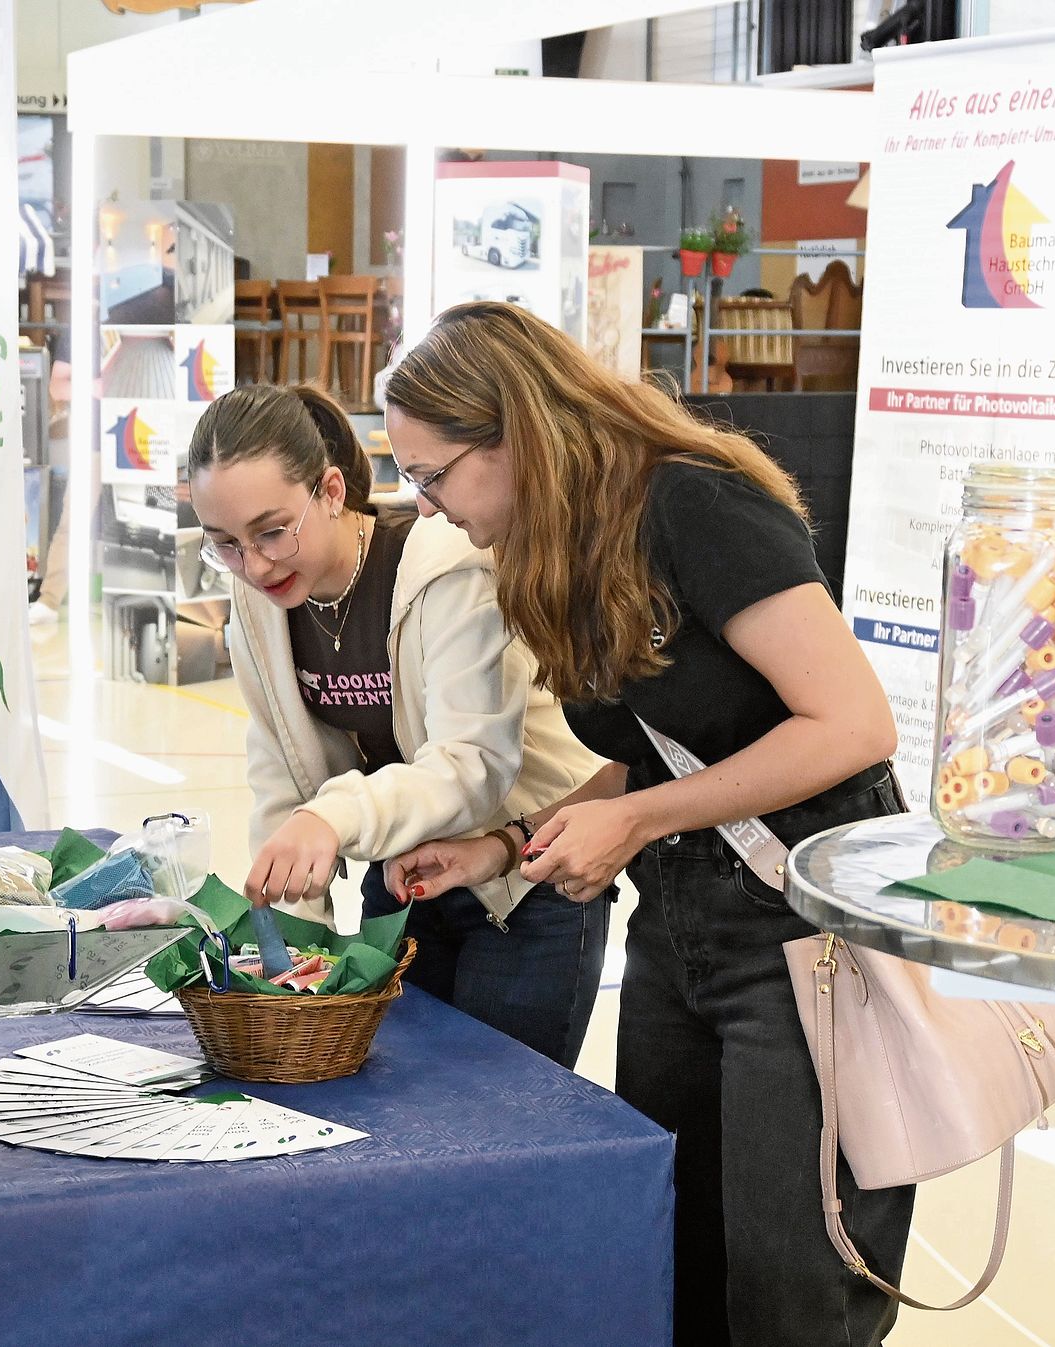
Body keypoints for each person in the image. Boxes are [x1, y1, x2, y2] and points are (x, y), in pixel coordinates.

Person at [381, 301, 911, 1347]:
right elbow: (657, 743)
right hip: (676, 934)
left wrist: (640, 821)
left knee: (788, 1289)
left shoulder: (694, 502)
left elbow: (851, 724)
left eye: (434, 476)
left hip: (805, 933)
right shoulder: (566, 543)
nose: (429, 508)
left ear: (516, 431)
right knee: (670, 1254)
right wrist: (506, 850)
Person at [188, 383, 611, 1067]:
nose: (255, 563)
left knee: (494, 1126)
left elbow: (471, 765)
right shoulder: (259, 600)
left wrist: (332, 817)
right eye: (225, 544)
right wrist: (293, 956)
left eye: (272, 531)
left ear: (330, 490)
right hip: (407, 881)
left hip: (530, 878)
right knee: (395, 1113)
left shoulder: (444, 564)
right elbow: (281, 776)